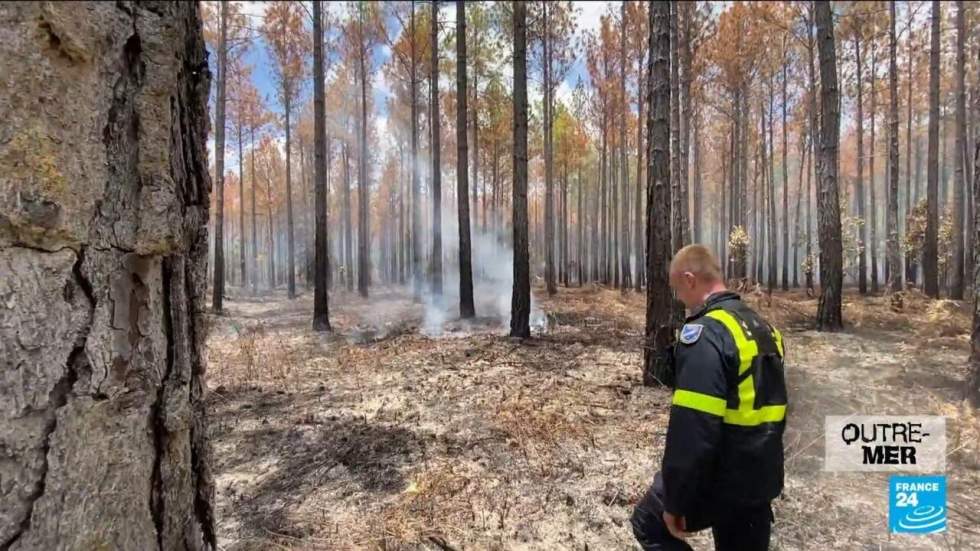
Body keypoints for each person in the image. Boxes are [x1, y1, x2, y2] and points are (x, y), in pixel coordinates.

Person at [631, 244, 788, 551]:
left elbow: (694, 428)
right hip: (761, 477)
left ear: (690, 279)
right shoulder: (764, 329)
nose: (679, 299)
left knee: (648, 522)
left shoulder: (707, 334)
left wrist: (675, 500)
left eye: (678, 289)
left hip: (722, 476)